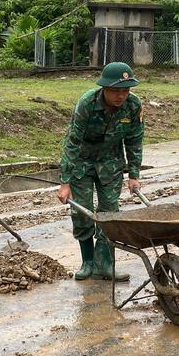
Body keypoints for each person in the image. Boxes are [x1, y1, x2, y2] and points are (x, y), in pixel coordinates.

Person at [58, 62, 144, 281]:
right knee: (82, 212)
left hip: (111, 163)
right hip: (82, 163)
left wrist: (134, 175)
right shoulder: (87, 103)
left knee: (109, 213)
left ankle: (104, 264)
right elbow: (72, 142)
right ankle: (87, 262)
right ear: (104, 87)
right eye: (116, 91)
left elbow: (134, 141)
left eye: (125, 90)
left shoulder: (134, 106)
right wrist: (65, 182)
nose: (121, 96)